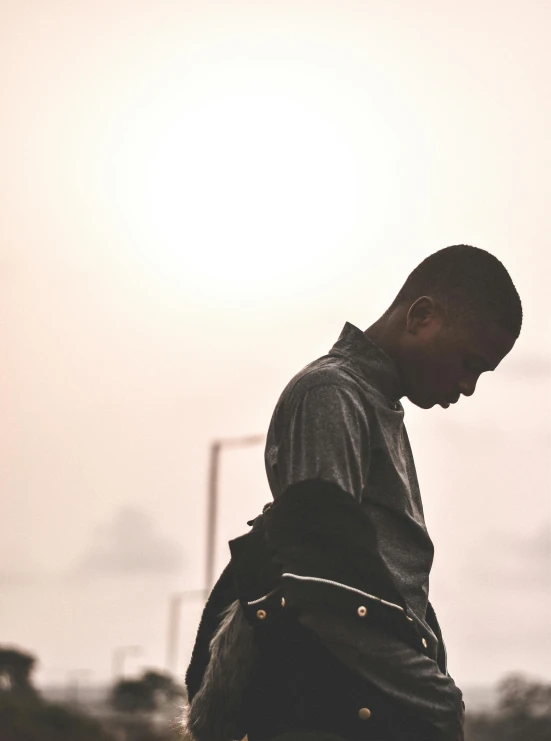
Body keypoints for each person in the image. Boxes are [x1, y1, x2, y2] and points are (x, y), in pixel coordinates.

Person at [184, 244, 522, 741]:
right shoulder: (332, 395)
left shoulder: (372, 402)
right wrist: (435, 698)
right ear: (422, 315)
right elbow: (318, 580)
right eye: (469, 362)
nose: (469, 386)